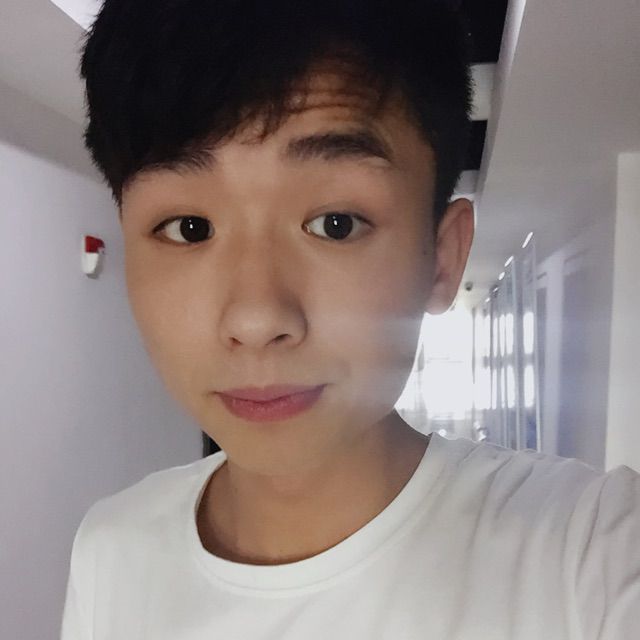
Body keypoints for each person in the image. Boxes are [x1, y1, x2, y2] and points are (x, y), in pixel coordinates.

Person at [61, 1, 640, 639]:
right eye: (189, 228)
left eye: (335, 224)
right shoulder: (112, 550)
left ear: (443, 258)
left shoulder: (590, 551)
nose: (257, 318)